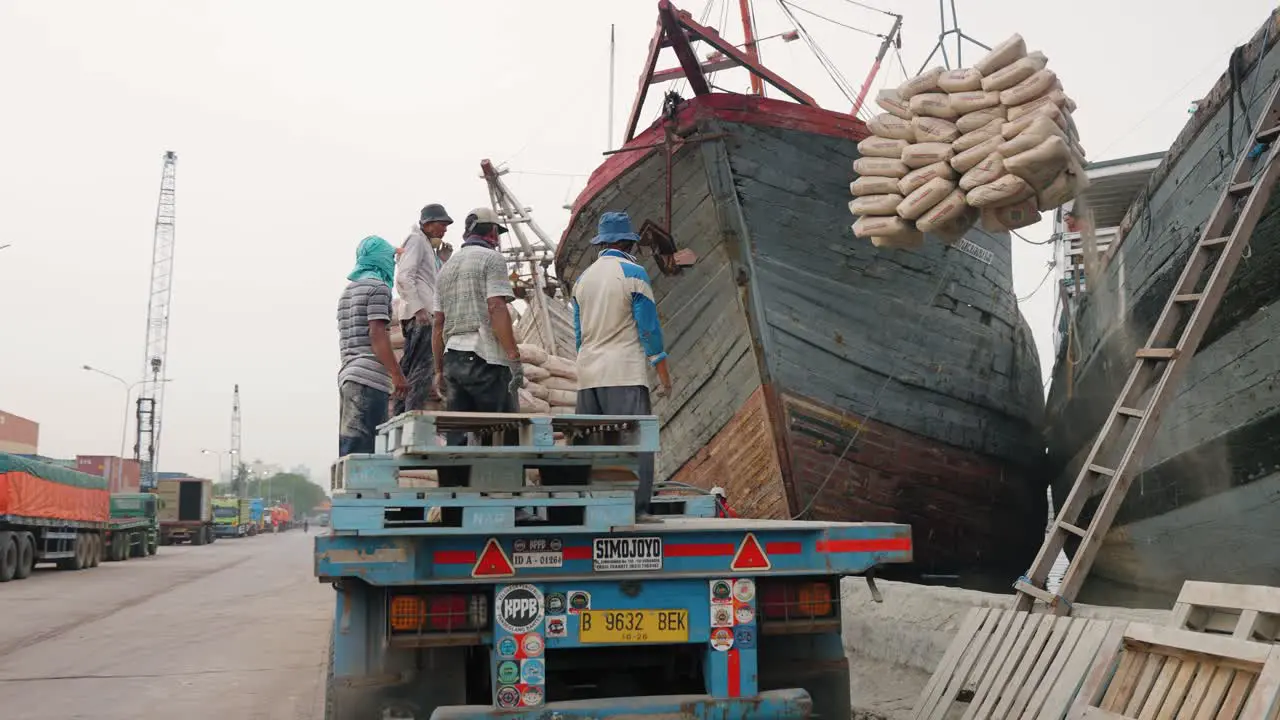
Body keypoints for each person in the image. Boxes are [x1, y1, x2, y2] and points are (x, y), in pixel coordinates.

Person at [569, 211, 672, 518]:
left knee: (595, 446)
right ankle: (637, 509)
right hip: (624, 372)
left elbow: (578, 335)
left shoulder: (582, 281)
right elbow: (649, 329)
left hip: (588, 374)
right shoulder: (633, 273)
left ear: (601, 243)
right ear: (628, 242)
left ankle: (596, 508)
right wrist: (663, 373)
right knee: (636, 444)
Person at [431, 207, 522, 422]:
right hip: (485, 357)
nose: (498, 240)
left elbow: (438, 324)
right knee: (502, 432)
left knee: (460, 435)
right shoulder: (492, 259)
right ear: (491, 231)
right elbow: (496, 308)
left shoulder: (445, 268)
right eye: (497, 234)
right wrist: (513, 357)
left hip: (452, 359)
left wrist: (438, 370)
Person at [337, 236, 409, 456]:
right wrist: (397, 375)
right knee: (368, 451)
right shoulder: (377, 288)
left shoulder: (348, 292)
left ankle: (352, 490)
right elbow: (377, 335)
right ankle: (364, 491)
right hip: (369, 379)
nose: (392, 264)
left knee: (352, 446)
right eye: (390, 259)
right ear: (380, 259)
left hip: (349, 376)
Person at [394, 204, 453, 414]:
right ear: (427, 224)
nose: (444, 230)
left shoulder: (425, 244)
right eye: (441, 224)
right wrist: (418, 310)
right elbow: (403, 277)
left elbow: (430, 280)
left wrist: (443, 261)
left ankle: (401, 414)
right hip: (420, 316)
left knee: (410, 368)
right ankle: (411, 417)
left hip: (421, 313)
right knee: (422, 369)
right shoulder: (416, 240)